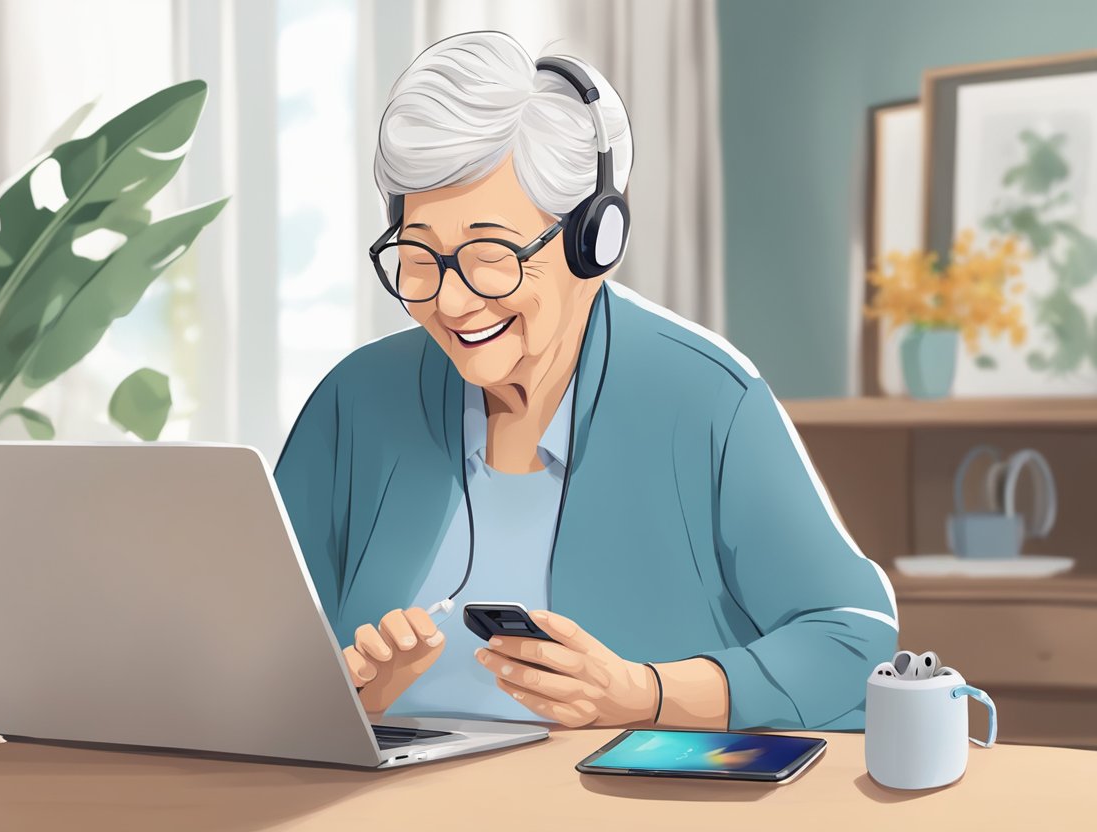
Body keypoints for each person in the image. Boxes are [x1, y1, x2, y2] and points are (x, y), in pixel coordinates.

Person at [274, 31, 897, 731]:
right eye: (419, 254)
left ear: (593, 242)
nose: (450, 302)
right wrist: (347, 695)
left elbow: (853, 637)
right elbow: (253, 657)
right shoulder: (354, 402)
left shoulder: (703, 398)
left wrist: (644, 693)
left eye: (490, 254)